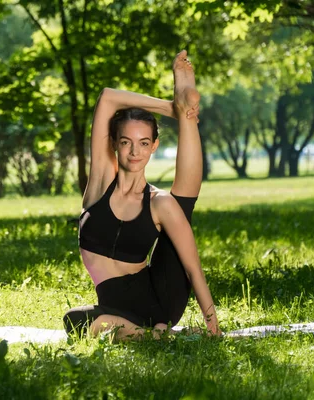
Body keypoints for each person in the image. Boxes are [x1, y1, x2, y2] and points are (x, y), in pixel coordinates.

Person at [63, 50, 221, 341]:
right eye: (126, 142)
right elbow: (109, 97)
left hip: (159, 299)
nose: (135, 151)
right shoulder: (100, 183)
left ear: (154, 146)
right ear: (114, 144)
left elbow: (192, 268)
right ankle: (161, 337)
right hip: (117, 310)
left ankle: (157, 331)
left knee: (177, 207)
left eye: (143, 143)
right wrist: (171, 107)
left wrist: (213, 325)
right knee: (75, 321)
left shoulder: (158, 202)